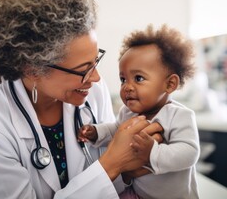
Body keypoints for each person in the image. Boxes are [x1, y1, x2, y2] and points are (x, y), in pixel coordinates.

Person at [0, 0, 163, 199]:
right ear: (32, 70)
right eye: (83, 69)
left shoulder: (92, 91)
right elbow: (108, 166)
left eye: (95, 61)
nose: (96, 77)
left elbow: (111, 186)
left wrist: (130, 166)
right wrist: (112, 163)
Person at [78, 24, 200, 199]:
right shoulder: (127, 112)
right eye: (123, 79)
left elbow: (189, 153)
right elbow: (116, 131)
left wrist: (153, 153)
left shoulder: (179, 116)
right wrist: (97, 132)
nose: (127, 87)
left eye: (138, 78)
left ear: (169, 84)